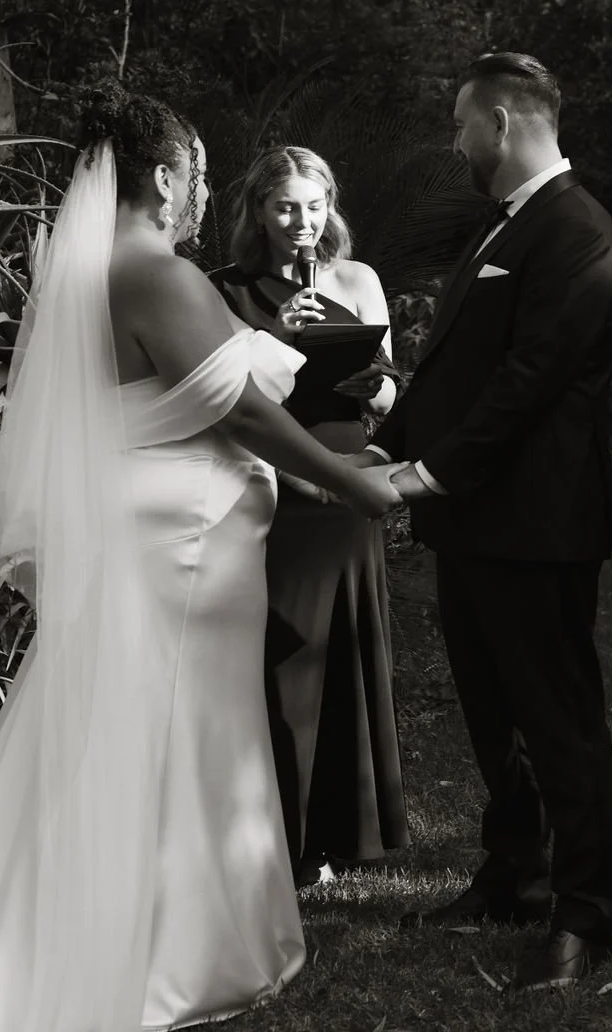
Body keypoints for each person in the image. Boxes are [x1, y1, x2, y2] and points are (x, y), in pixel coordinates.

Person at [0, 87, 400, 1032]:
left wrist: (309, 482)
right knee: (170, 737)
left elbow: (177, 411)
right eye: (203, 176)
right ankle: (165, 954)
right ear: (168, 177)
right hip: (182, 557)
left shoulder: (93, 271)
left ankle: (167, 929)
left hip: (171, 540)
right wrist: (348, 481)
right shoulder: (157, 272)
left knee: (152, 734)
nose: (204, 193)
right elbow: (241, 410)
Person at [356, 52, 612, 992]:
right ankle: (516, 875)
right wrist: (386, 432)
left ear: (504, 122)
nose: (457, 143)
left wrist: (424, 475)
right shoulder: (505, 225)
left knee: (559, 723)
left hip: (539, 526)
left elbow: (529, 384)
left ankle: (585, 916)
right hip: (474, 523)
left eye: (463, 126)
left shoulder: (576, 230)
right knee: (492, 718)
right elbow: (460, 372)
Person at [211, 146, 410, 884]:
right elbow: (230, 403)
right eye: (286, 206)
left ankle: (345, 831)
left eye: (315, 205)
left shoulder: (359, 280)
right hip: (276, 484)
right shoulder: (224, 291)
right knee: (281, 660)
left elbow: (392, 392)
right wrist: (283, 340)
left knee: (348, 653)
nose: (302, 221)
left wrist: (376, 390)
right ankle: (279, 840)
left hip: (349, 479)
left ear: (332, 208)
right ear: (258, 211)